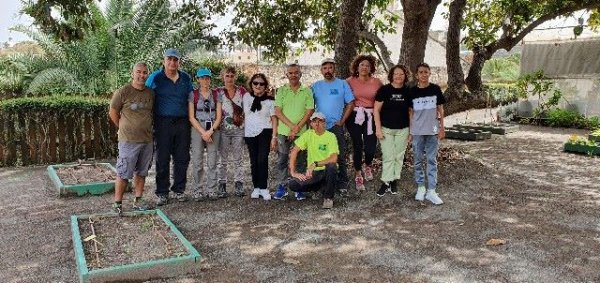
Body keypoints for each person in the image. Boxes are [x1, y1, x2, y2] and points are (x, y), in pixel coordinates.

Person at [145, 48, 194, 206]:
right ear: (164, 61)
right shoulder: (156, 78)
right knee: (162, 158)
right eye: (169, 59)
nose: (172, 62)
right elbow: (145, 95)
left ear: (179, 62)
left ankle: (179, 190)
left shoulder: (186, 78)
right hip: (163, 123)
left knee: (182, 158)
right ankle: (162, 192)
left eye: (175, 60)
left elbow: (191, 100)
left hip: (182, 123)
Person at [109, 62, 154, 214]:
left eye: (145, 72)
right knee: (123, 173)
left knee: (142, 172)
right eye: (139, 72)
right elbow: (113, 112)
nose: (142, 75)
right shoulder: (123, 91)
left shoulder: (150, 93)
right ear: (132, 73)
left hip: (147, 140)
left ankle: (138, 199)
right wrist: (122, 127)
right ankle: (117, 203)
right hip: (128, 141)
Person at [311, 58, 354, 193]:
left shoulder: (342, 84)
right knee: (320, 154)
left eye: (330, 67)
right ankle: (323, 182)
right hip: (319, 127)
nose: (327, 70)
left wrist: (341, 121)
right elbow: (308, 106)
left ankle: (342, 182)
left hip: (335, 126)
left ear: (334, 69)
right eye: (325, 68)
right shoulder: (315, 86)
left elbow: (350, 103)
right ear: (321, 70)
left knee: (339, 154)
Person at [272, 63, 315, 201]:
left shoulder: (307, 91)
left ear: (300, 74)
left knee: (301, 161)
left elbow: (310, 111)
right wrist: (292, 127)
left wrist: (297, 128)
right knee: (282, 160)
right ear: (287, 75)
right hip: (284, 132)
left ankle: (299, 187)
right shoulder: (281, 91)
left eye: (296, 72)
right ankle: (282, 187)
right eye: (290, 73)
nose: (293, 75)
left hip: (302, 133)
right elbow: (277, 111)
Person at [408, 63, 446, 205]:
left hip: (432, 130)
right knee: (417, 160)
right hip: (417, 131)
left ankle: (431, 191)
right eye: (421, 72)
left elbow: (441, 110)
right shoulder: (412, 92)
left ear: (429, 73)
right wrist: (410, 131)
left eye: (426, 72)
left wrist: (442, 127)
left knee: (431, 160)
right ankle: (421, 187)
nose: (423, 74)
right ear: (417, 75)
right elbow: (410, 113)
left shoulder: (435, 89)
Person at [285, 112, 339, 209]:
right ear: (311, 124)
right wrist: (293, 172)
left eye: (320, 121)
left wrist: (316, 164)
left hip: (326, 171)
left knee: (332, 166)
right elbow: (294, 151)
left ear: (324, 123)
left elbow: (334, 158)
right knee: (292, 184)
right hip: (313, 173)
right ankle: (319, 188)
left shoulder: (331, 136)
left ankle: (328, 198)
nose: (317, 124)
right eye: (314, 121)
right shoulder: (308, 134)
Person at [346, 54, 383, 191]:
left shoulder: (377, 82)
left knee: (370, 146)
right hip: (354, 115)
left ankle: (367, 164)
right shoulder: (349, 81)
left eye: (367, 65)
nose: (364, 67)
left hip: (371, 116)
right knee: (357, 144)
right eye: (362, 64)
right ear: (357, 66)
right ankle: (357, 173)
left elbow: (383, 98)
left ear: (371, 68)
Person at [373, 65, 411, 197]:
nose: (398, 76)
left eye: (401, 74)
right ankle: (385, 182)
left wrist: (411, 131)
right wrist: (378, 128)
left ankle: (394, 180)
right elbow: (376, 110)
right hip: (386, 129)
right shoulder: (384, 90)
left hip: (403, 129)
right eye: (396, 74)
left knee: (398, 156)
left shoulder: (408, 91)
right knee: (389, 156)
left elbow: (411, 112)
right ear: (391, 75)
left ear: (405, 76)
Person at [188, 68, 222, 201]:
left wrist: (211, 131)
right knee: (197, 161)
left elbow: (219, 116)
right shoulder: (193, 94)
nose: (205, 80)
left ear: (210, 79)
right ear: (197, 79)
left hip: (213, 127)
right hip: (198, 128)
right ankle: (198, 190)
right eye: (202, 78)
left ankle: (212, 189)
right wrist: (203, 133)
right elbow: (191, 117)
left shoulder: (216, 94)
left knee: (212, 161)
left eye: (207, 77)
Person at [214, 66, 247, 197]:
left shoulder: (242, 91)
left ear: (235, 77)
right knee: (223, 159)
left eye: (232, 76)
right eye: (227, 76)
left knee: (239, 158)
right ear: (223, 77)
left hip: (239, 129)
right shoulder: (218, 92)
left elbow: (248, 107)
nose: (229, 78)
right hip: (223, 130)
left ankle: (239, 183)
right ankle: (222, 184)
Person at [244, 73, 277, 200]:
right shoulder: (246, 97)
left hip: (265, 131)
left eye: (261, 84)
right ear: (251, 84)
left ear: (265, 86)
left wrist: (274, 137)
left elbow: (274, 119)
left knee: (262, 159)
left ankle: (263, 188)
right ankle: (256, 187)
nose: (258, 85)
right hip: (250, 133)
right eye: (255, 83)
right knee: (253, 160)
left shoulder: (270, 101)